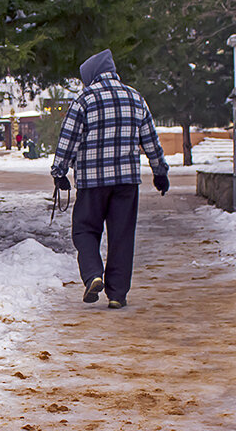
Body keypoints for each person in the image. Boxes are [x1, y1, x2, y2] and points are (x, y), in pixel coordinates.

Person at [49, 49, 169, 309]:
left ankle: (93, 274)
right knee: (122, 235)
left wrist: (60, 172)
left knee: (84, 229)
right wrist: (160, 172)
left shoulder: (84, 100)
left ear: (91, 75)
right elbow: (150, 140)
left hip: (92, 182)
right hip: (126, 182)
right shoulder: (136, 98)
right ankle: (117, 294)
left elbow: (68, 140)